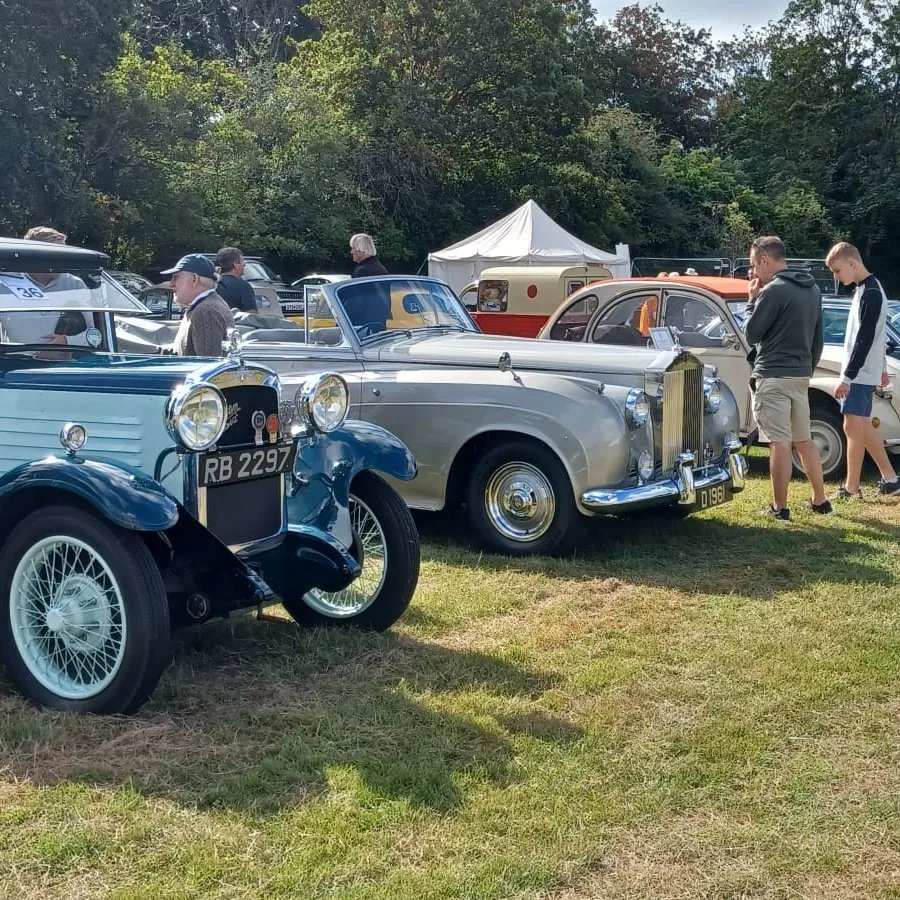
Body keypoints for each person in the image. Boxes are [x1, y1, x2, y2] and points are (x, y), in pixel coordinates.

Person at [744, 235, 830, 520]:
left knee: (779, 443)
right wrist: (807, 368)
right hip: (800, 376)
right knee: (804, 440)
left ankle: (779, 508)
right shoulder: (813, 289)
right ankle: (820, 499)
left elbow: (751, 334)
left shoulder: (774, 291)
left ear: (766, 260)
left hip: (773, 375)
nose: (755, 272)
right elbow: (818, 339)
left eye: (755, 265)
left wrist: (751, 300)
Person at [825, 241, 900, 499]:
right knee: (860, 426)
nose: (836, 276)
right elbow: (874, 337)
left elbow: (865, 339)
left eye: (837, 270)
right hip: (864, 371)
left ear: (851, 263)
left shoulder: (870, 292)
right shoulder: (868, 289)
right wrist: (879, 368)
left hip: (858, 373)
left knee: (852, 427)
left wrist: (847, 376)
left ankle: (851, 487)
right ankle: (890, 478)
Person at [162, 254, 234, 357]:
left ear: (194, 279)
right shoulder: (207, 305)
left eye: (176, 277)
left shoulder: (205, 311)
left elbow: (208, 365)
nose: (171, 284)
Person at [214, 247, 257, 312]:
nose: (244, 264)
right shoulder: (243, 286)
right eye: (242, 261)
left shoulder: (212, 284)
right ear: (235, 264)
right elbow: (252, 314)